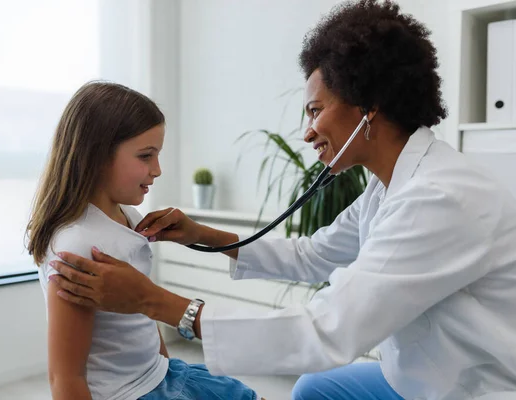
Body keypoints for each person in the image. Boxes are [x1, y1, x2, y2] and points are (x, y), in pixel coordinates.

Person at [48, 1, 516, 399]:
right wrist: (203, 235)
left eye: (315, 110)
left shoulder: (441, 197)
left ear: (368, 107)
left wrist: (156, 302)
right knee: (312, 389)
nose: (308, 131)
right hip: (422, 371)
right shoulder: (388, 184)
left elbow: (325, 330)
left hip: (471, 385)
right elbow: (314, 255)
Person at [26, 82, 261, 400]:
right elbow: (65, 376)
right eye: (146, 156)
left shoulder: (130, 216)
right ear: (96, 154)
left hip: (162, 376)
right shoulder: (76, 246)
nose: (158, 170)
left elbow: (143, 308)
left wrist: (163, 366)